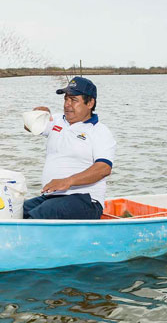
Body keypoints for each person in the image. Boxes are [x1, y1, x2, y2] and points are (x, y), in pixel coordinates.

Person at [23, 77, 116, 220]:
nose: (67, 105)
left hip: (87, 201)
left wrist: (66, 181)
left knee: (43, 213)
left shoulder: (100, 131)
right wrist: (37, 114)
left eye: (73, 100)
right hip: (51, 198)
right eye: (66, 99)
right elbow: (29, 126)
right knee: (15, 210)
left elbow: (103, 168)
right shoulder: (57, 120)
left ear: (90, 103)